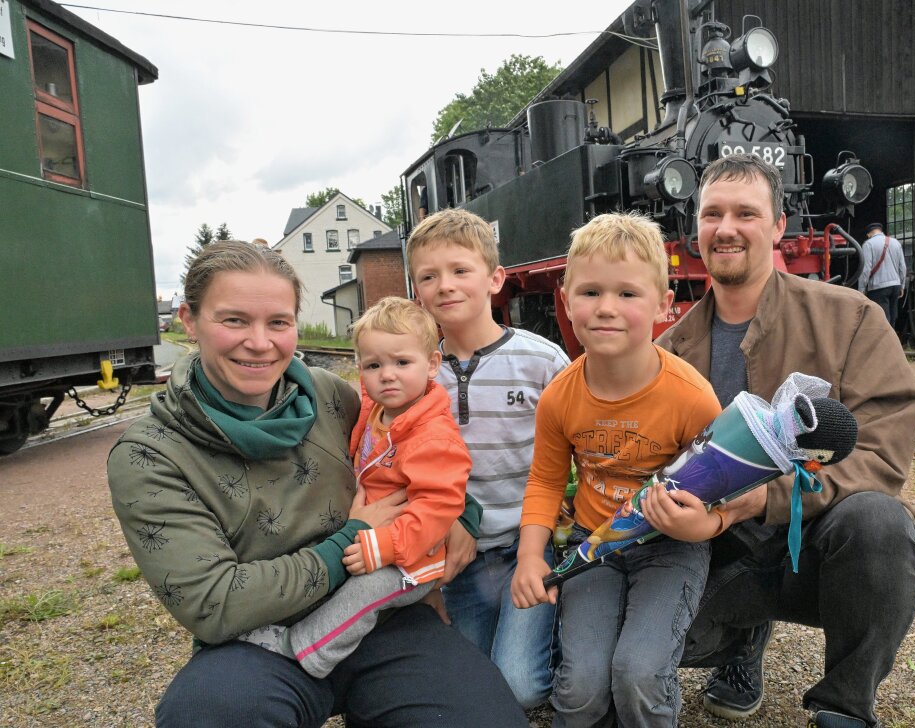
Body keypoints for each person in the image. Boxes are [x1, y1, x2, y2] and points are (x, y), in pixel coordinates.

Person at [107, 241, 526, 728]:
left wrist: (461, 516)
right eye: (234, 320)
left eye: (278, 322)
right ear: (189, 320)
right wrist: (349, 539)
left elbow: (415, 457)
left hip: (384, 619)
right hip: (259, 642)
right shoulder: (153, 453)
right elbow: (215, 601)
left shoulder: (329, 395)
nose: (260, 342)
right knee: (207, 716)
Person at [653, 154, 915, 728]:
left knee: (880, 525)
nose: (726, 228)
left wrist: (770, 498)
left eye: (746, 213)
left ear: (778, 226)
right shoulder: (670, 349)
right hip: (717, 551)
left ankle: (845, 706)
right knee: (648, 644)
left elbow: (881, 449)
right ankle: (742, 641)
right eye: (713, 214)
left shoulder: (849, 319)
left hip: (813, 542)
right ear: (696, 230)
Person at [511, 212, 723, 727]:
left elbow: (728, 485)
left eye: (628, 294)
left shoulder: (690, 397)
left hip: (669, 547)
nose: (606, 308)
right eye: (590, 292)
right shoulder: (561, 395)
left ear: (663, 305)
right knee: (581, 687)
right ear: (565, 300)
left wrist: (708, 523)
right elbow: (543, 480)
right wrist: (529, 557)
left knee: (638, 674)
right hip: (594, 546)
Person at [236, 296, 471, 678]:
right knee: (346, 584)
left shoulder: (434, 437)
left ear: (431, 364)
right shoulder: (376, 410)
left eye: (402, 363)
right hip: (374, 539)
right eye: (374, 365)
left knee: (363, 596)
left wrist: (387, 545)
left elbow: (439, 506)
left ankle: (307, 651)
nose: (387, 375)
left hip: (410, 556)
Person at [407, 208, 569, 708]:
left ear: (496, 279)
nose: (445, 286)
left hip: (533, 545)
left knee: (519, 688)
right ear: (416, 291)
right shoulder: (415, 374)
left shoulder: (543, 361)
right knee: (471, 688)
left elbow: (575, 448)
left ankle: (568, 638)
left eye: (460, 271)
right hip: (460, 555)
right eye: (428, 277)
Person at [858, 222, 907, 329]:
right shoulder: (895, 243)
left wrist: (861, 289)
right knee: (893, 316)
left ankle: (884, 344)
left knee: (882, 318)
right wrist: (902, 285)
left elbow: (866, 269)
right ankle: (892, 343)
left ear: (869, 234)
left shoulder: (868, 244)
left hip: (878, 287)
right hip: (895, 285)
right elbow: (902, 267)